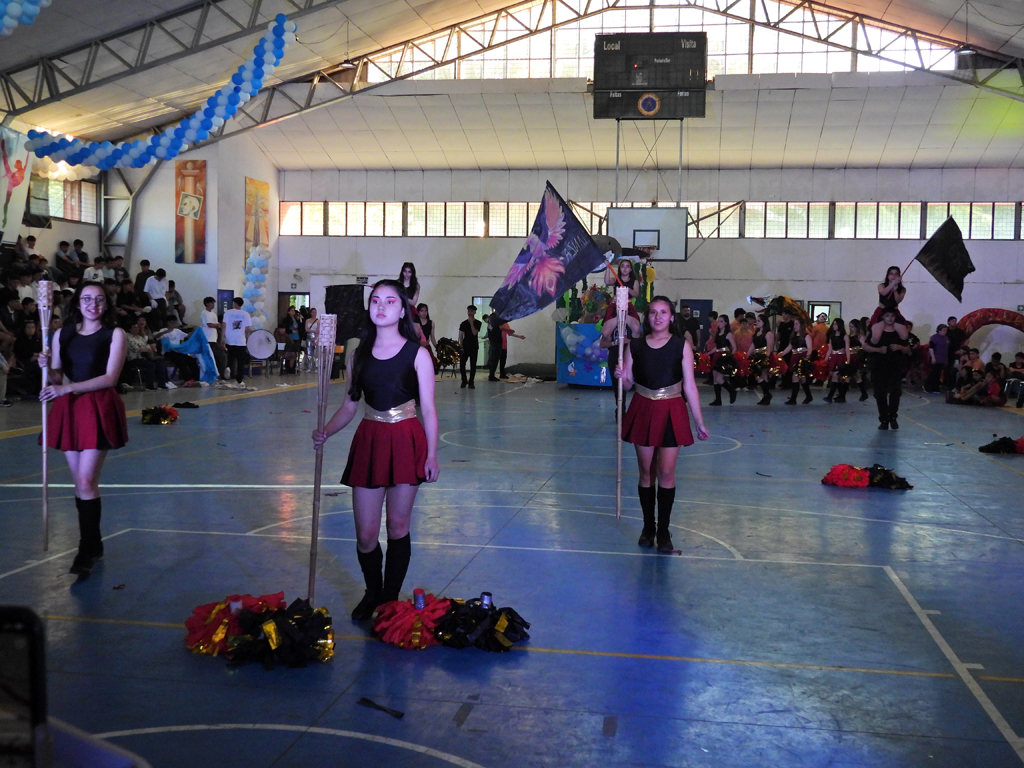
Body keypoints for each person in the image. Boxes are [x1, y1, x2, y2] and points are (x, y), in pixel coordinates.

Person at [312, 280, 439, 620]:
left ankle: (389, 599)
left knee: (398, 526)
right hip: (370, 440)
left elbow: (428, 409)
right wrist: (326, 432)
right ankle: (372, 591)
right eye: (376, 301)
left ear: (402, 310)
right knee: (366, 535)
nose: (381, 306)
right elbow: (349, 406)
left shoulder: (418, 354)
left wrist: (431, 455)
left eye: (390, 301)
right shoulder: (358, 357)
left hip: (407, 439)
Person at [39, 281, 129, 576]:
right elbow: (57, 376)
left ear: (106, 304)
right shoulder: (62, 334)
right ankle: (94, 543)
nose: (93, 304)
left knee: (88, 480)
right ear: (78, 303)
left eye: (99, 299)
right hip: (70, 408)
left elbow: (110, 378)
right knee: (80, 482)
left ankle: (86, 549)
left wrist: (66, 388)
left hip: (98, 406)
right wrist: (46, 367)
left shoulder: (114, 334)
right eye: (87, 299)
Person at [616, 296, 709, 553]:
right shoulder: (634, 346)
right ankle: (648, 527)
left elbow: (690, 386)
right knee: (646, 473)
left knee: (666, 473)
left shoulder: (681, 346)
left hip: (671, 408)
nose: (658, 317)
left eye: (663, 312)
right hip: (643, 407)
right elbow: (628, 384)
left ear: (671, 317)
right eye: (653, 312)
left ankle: (664, 530)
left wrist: (699, 422)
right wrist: (622, 375)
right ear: (648, 317)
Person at [863, 309, 910, 429]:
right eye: (887, 315)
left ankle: (893, 417)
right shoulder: (876, 331)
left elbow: (908, 350)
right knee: (880, 393)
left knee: (895, 393)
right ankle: (883, 419)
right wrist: (878, 350)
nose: (890, 318)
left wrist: (900, 347)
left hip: (895, 367)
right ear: (883, 317)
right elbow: (865, 347)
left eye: (892, 316)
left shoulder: (899, 332)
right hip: (878, 366)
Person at [600, 303, 641, 410]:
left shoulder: (633, 323)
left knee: (630, 381)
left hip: (630, 356)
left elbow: (638, 336)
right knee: (617, 383)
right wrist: (615, 343)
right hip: (615, 355)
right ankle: (620, 408)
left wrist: (628, 341)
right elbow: (603, 341)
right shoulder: (611, 324)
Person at [781, 317, 814, 405]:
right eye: (794, 324)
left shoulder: (806, 336)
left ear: (801, 325)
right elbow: (789, 347)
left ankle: (793, 399)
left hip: (802, 359)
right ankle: (809, 396)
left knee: (795, 377)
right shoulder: (793, 336)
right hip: (795, 358)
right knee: (802, 379)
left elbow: (810, 348)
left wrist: (806, 359)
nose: (794, 326)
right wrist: (780, 355)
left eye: (797, 324)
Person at [708, 314, 737, 406]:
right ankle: (718, 400)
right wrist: (708, 353)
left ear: (726, 323)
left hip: (724, 356)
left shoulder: (728, 334)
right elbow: (717, 347)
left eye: (721, 321)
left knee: (719, 378)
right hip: (716, 355)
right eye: (718, 321)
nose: (719, 323)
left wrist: (730, 357)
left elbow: (734, 347)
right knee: (715, 379)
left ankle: (732, 391)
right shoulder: (718, 333)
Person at [222, 297, 252, 385]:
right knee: (240, 361)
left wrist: (222, 338)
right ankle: (239, 380)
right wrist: (246, 337)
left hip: (230, 339)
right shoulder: (246, 314)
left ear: (234, 303)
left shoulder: (228, 313)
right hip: (240, 340)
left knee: (231, 357)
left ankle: (228, 367)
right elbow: (247, 328)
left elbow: (224, 325)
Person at [749, 315, 775, 405]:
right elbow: (753, 346)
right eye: (757, 321)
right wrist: (747, 355)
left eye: (759, 321)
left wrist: (765, 358)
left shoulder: (768, 333)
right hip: (757, 356)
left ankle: (767, 395)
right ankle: (766, 396)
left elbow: (769, 347)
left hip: (764, 357)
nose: (756, 322)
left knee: (759, 376)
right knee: (763, 377)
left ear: (764, 322)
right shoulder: (756, 333)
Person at [823, 318, 850, 403]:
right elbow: (830, 349)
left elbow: (847, 349)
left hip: (841, 357)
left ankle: (830, 396)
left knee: (836, 376)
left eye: (836, 324)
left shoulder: (845, 336)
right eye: (833, 324)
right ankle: (841, 397)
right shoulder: (832, 336)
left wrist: (848, 360)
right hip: (834, 357)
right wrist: (825, 359)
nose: (834, 326)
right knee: (836, 377)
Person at [458, 304, 481, 389]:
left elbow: (474, 333)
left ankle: (471, 382)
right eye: (468, 311)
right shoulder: (463, 323)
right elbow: (461, 335)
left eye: (471, 311)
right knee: (462, 364)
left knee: (473, 365)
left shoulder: (478, 323)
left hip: (474, 346)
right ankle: (464, 380)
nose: (470, 312)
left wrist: (471, 323)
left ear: (475, 312)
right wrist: (460, 346)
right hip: (465, 346)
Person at [924, 324, 950, 393]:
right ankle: (927, 387)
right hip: (935, 357)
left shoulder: (946, 338)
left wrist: (946, 359)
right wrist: (933, 357)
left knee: (938, 374)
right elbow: (931, 348)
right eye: (944, 330)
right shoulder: (934, 338)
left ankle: (935, 388)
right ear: (939, 330)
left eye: (946, 330)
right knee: (933, 373)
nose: (945, 331)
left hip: (942, 358)